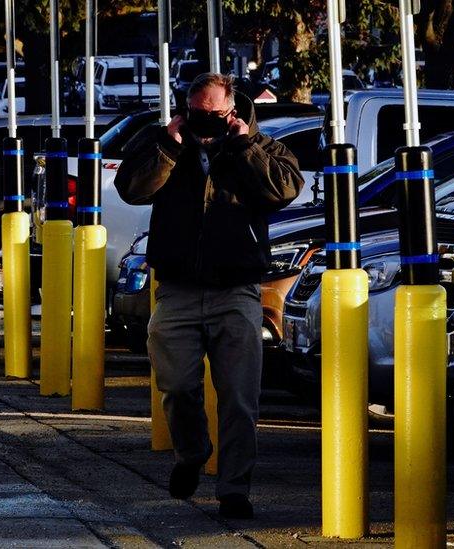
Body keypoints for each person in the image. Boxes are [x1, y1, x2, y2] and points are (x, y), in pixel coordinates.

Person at [114, 73, 303, 519]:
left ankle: (234, 489)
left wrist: (243, 146)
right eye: (198, 112)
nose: (206, 122)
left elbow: (283, 191)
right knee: (176, 386)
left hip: (236, 289)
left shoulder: (262, 146)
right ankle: (192, 453)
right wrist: (170, 144)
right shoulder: (164, 141)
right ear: (186, 107)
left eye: (215, 114)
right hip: (177, 290)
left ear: (232, 109)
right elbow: (132, 189)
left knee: (239, 397)